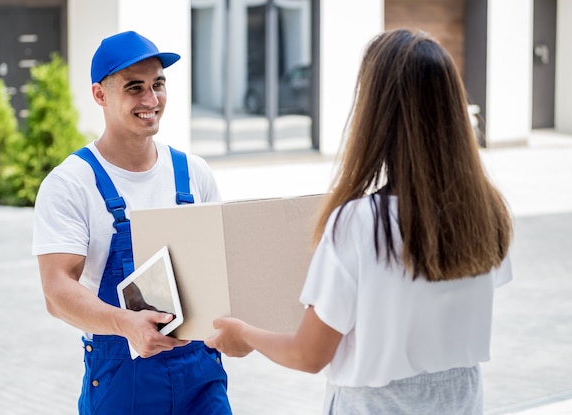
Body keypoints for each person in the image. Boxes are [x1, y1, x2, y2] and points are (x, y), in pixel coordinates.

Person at [205, 29, 513, 414]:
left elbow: (308, 354)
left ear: (377, 115)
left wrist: (244, 335)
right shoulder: (488, 211)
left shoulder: (360, 224)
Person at [32, 31, 232, 414]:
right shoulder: (71, 184)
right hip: (123, 378)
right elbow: (56, 292)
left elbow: (220, 269)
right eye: (134, 88)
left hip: (201, 377)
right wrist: (126, 324)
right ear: (99, 95)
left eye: (158, 84)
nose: (151, 100)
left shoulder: (193, 173)